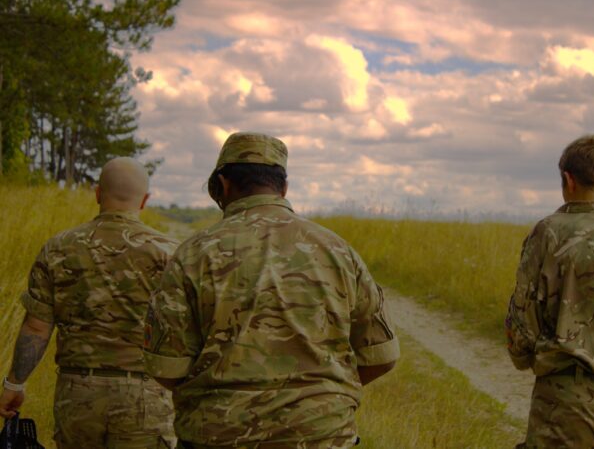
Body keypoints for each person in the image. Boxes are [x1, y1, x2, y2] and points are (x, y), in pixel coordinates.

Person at [143, 132, 400, 448]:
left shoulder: (192, 254)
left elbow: (166, 366)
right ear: (284, 188)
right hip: (321, 435)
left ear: (223, 186)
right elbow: (381, 356)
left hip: (216, 437)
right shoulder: (338, 250)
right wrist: (319, 397)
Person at [0, 158, 179, 449]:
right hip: (146, 396)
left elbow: (36, 327)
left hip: (78, 395)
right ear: (144, 200)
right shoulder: (170, 253)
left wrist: (14, 384)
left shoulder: (58, 248)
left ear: (97, 193)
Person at [505, 134, 594, 448]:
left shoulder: (549, 232)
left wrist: (528, 358)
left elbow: (522, 328)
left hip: (566, 402)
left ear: (568, 180)